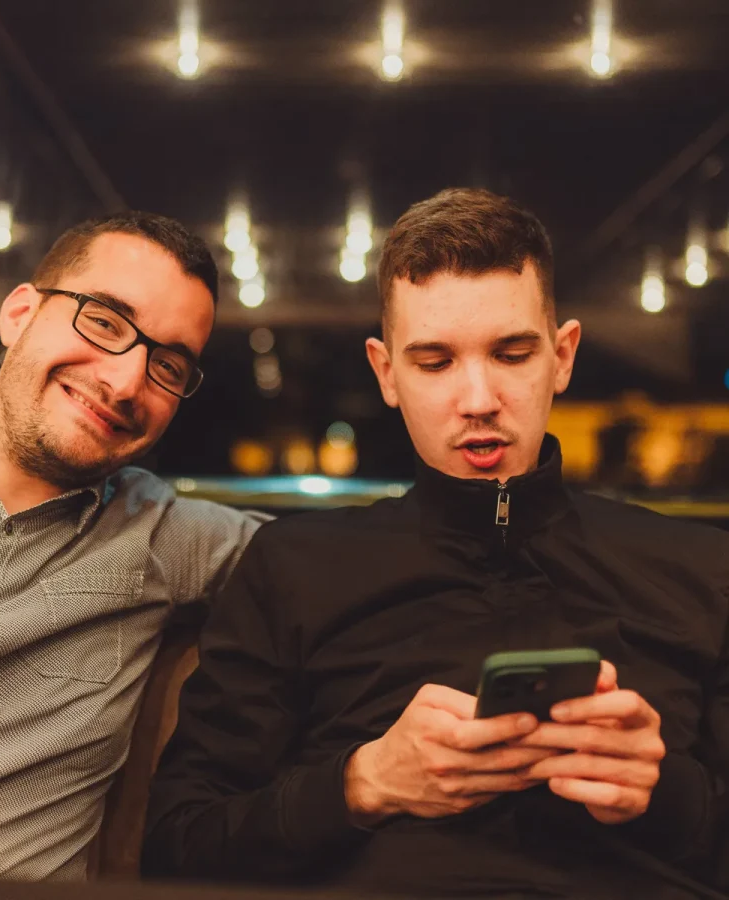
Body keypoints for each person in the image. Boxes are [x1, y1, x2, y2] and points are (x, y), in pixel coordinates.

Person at [143, 189, 729, 899]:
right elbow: (177, 847)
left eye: (512, 354)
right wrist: (362, 784)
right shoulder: (294, 567)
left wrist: (663, 792)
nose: (478, 398)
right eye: (435, 362)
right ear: (386, 372)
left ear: (563, 356)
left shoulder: (702, 570)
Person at [0, 212, 266, 880]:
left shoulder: (163, 535)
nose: (125, 382)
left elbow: (345, 563)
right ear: (19, 314)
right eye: (105, 322)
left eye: (168, 365)